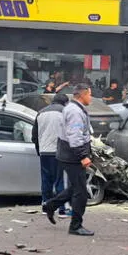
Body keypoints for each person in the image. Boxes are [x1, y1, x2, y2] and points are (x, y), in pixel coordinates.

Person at [43, 84, 94, 236]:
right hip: (72, 157)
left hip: (69, 155)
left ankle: (51, 205)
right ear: (83, 95)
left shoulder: (74, 108)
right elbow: (75, 137)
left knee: (74, 188)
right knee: (81, 193)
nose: (90, 98)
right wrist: (83, 156)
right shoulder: (74, 112)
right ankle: (75, 226)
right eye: (89, 94)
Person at [31, 93, 70, 219]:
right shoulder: (65, 112)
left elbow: (34, 136)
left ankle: (45, 205)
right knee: (60, 181)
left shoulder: (40, 113)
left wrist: (39, 150)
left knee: (46, 179)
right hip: (59, 152)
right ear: (65, 102)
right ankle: (62, 209)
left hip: (44, 152)